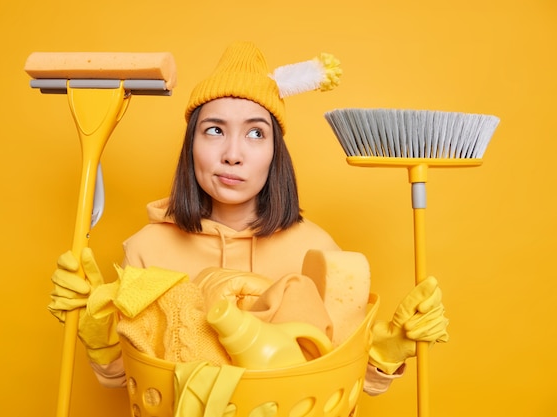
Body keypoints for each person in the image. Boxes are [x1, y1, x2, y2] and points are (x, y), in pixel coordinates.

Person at [48, 41, 448, 396]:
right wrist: (98, 335)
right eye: (214, 130)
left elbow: (341, 383)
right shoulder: (146, 249)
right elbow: (123, 379)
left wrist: (384, 351)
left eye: (256, 133)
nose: (233, 154)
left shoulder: (318, 251)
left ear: (276, 152)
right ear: (191, 147)